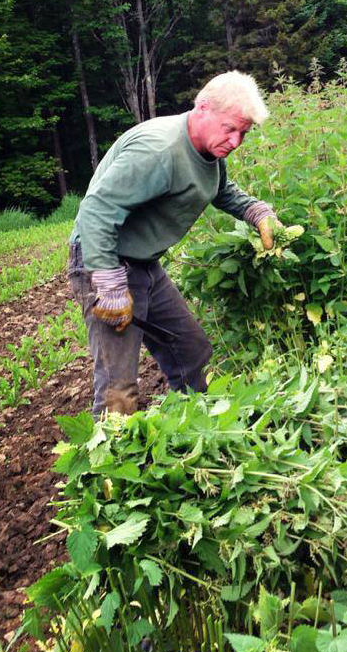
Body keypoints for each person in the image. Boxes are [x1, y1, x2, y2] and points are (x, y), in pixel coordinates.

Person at [67, 70, 279, 416]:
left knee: (190, 350)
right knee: (118, 384)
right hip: (102, 261)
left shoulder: (208, 150)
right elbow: (96, 212)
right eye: (230, 128)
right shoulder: (159, 150)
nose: (236, 141)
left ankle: (197, 425)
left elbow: (220, 190)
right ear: (204, 109)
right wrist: (108, 283)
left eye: (244, 132)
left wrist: (256, 211)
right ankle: (111, 460)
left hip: (143, 264)